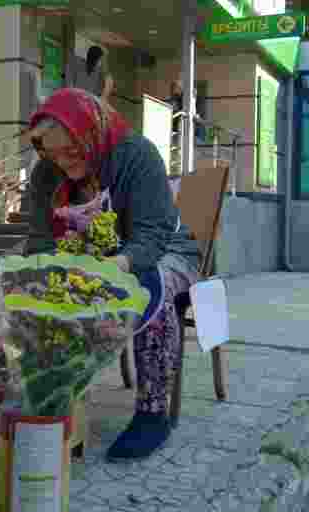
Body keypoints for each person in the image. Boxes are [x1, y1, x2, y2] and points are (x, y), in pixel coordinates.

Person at [21, 88, 201, 461]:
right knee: (46, 291)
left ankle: (153, 413)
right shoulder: (45, 175)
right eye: (52, 154)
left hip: (164, 250)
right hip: (94, 258)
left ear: (92, 132)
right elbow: (39, 242)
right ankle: (59, 405)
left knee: (148, 288)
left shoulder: (136, 155)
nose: (63, 163)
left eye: (72, 151)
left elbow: (153, 235)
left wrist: (114, 267)